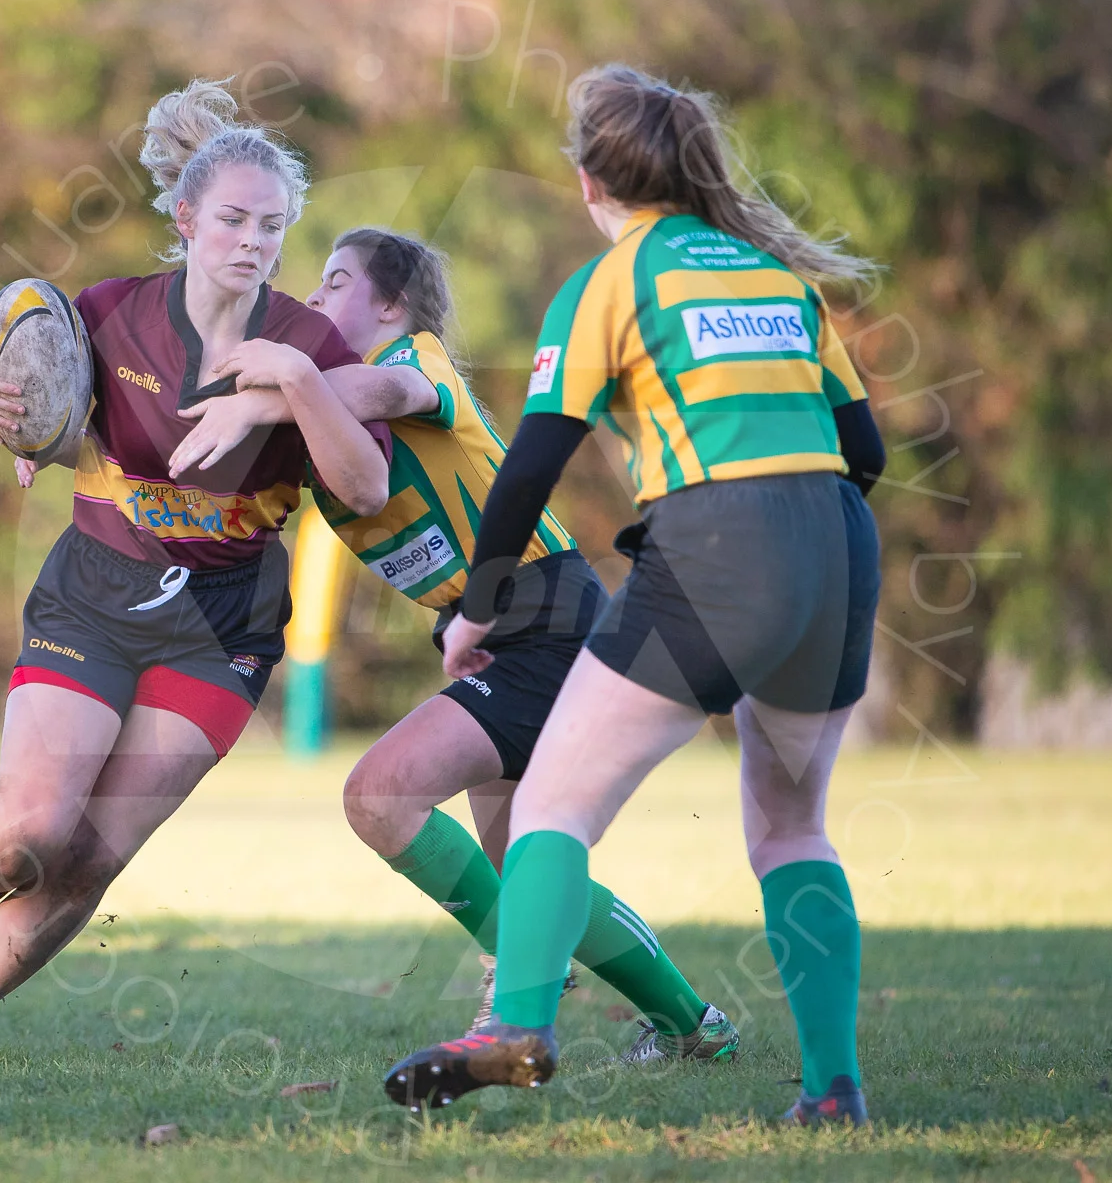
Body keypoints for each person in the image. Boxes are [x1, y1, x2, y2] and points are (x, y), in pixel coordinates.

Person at [0, 79, 394, 1068]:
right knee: (30, 833)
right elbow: (8, 356)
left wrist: (302, 384)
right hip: (94, 595)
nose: (252, 242)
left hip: (224, 627)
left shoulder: (312, 343)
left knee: (95, 852)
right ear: (185, 219)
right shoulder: (108, 316)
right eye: (231, 219)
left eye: (271, 226)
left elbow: (364, 486)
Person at [384, 64, 886, 1126]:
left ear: (586, 178)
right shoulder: (774, 274)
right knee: (794, 830)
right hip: (840, 542)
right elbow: (865, 449)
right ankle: (833, 1092)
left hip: (720, 543)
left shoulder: (614, 282)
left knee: (554, 806)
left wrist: (477, 604)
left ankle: (515, 1022)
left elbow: (530, 464)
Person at [179, 226, 740, 1064]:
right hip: (499, 629)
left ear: (394, 307)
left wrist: (270, 385)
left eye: (338, 282)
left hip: (542, 615)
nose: (319, 297)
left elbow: (378, 393)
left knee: (381, 797)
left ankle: (516, 989)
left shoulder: (419, 363)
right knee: (528, 868)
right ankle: (697, 1029)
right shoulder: (324, 420)